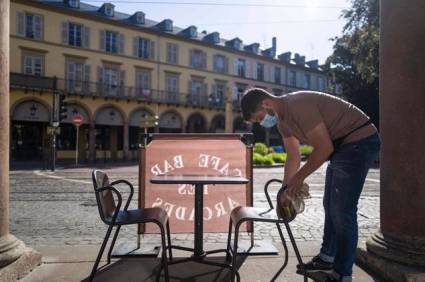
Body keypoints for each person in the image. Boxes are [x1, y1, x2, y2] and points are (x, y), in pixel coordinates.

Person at [240, 88, 380, 282]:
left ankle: (342, 274)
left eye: (259, 118)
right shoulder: (283, 123)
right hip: (342, 145)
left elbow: (324, 148)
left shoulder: (298, 106)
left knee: (342, 210)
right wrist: (285, 190)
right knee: (330, 205)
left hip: (359, 140)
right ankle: (326, 258)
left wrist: (298, 179)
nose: (262, 123)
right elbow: (293, 156)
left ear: (266, 104)